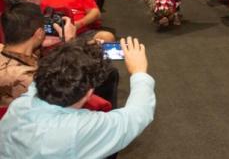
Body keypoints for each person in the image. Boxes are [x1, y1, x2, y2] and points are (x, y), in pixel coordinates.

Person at [0, 37, 155, 159]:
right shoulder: (76, 131)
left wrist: (75, 48)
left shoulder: (21, 104)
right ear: (89, 93)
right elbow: (137, 115)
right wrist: (139, 71)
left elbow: (47, 74)